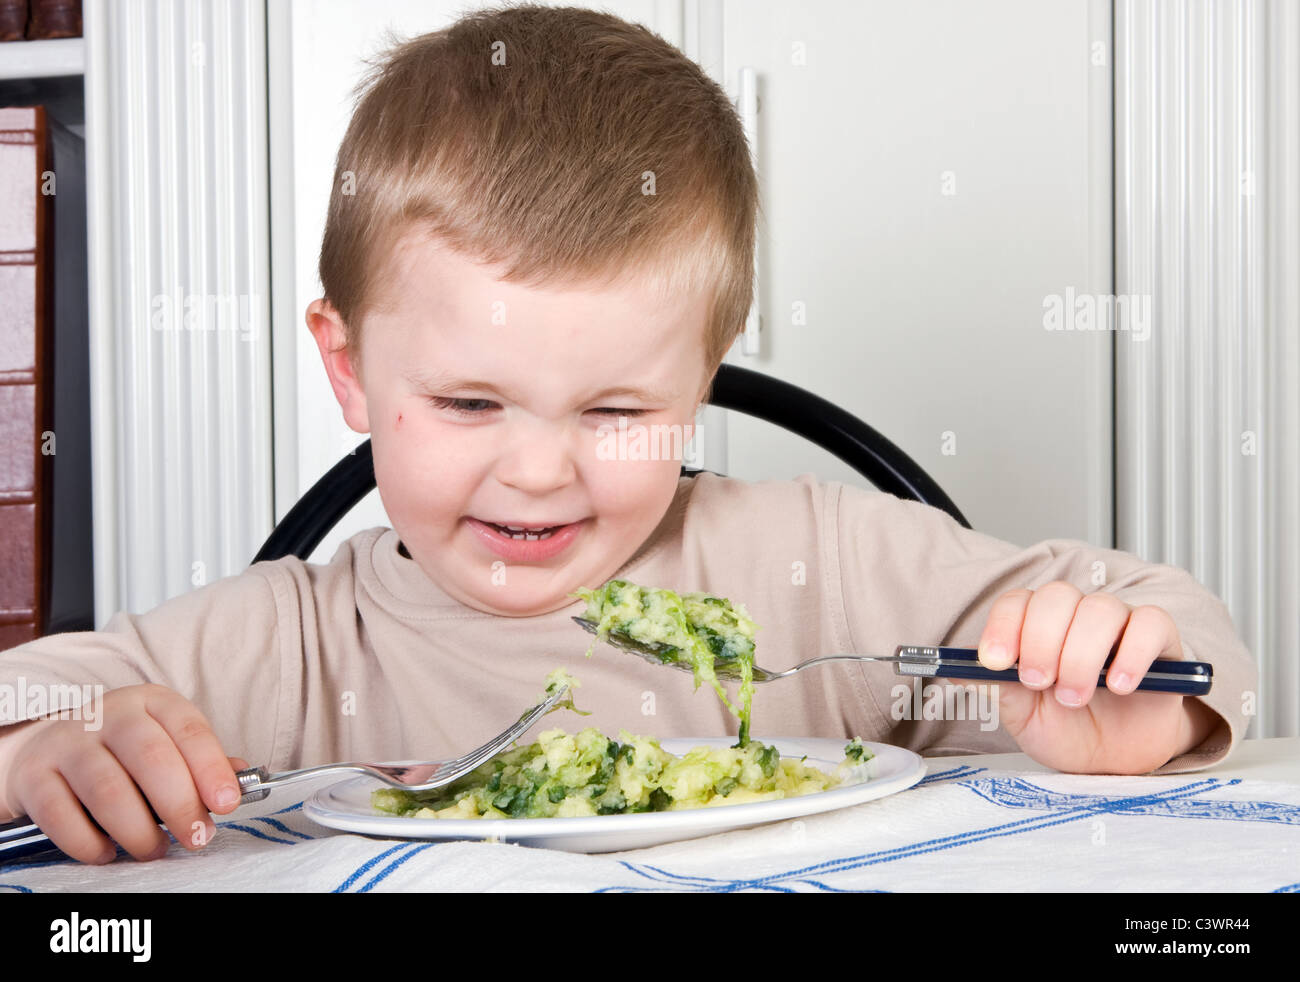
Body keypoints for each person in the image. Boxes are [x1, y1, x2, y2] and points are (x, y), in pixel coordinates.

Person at [0, 3, 1255, 866]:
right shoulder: (282, 642)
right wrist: (51, 752)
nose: (541, 470)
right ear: (347, 366)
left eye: (616, 411)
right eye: (468, 403)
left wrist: (1141, 698)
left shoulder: (812, 573)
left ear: (698, 381)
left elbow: (1173, 621)